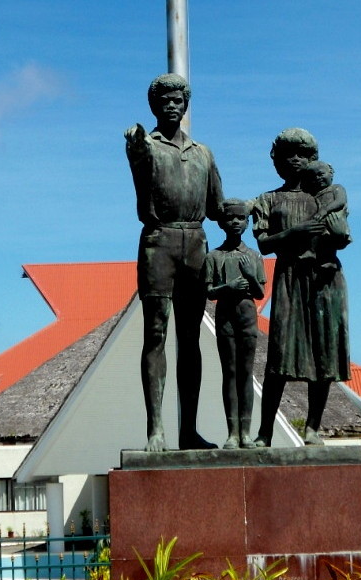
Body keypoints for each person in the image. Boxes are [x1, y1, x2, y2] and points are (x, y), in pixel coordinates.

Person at [125, 73, 224, 452]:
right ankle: (156, 430)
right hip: (158, 240)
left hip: (196, 242)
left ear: (186, 105)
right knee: (156, 335)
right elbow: (138, 158)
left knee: (192, 340)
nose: (171, 105)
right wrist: (135, 143)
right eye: (164, 100)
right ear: (154, 106)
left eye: (178, 99)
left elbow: (218, 206)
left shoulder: (203, 153)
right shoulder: (147, 147)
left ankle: (189, 431)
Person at [252, 128, 351, 446]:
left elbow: (342, 234)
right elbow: (265, 245)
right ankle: (265, 431)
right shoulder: (268, 199)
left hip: (324, 279)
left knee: (324, 355)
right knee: (279, 356)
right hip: (290, 278)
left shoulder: (327, 193)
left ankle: (312, 427)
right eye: (287, 155)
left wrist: (337, 235)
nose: (295, 160)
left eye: (302, 154)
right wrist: (298, 232)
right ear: (276, 161)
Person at [203, 199, 265, 449]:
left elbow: (260, 293)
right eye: (231, 219)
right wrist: (226, 287)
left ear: (248, 223)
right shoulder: (214, 257)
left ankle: (246, 433)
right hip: (226, 314)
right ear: (221, 223)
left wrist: (250, 276)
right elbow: (208, 291)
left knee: (245, 374)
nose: (236, 223)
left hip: (247, 314)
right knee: (229, 373)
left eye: (241, 219)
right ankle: (232, 432)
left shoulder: (253, 256)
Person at [300, 160, 351, 266]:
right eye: (314, 177)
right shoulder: (314, 194)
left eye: (321, 174)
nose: (318, 178)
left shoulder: (336, 188)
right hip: (320, 220)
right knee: (316, 232)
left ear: (331, 173)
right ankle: (312, 252)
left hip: (333, 218)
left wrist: (325, 210)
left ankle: (329, 260)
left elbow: (340, 201)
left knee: (329, 240)